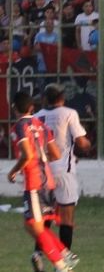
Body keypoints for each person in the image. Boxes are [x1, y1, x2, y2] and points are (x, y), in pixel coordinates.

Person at [7, 91, 79, 272]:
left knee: (34, 226)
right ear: (32, 108)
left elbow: (27, 154)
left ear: (14, 108)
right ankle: (64, 254)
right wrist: (41, 158)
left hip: (34, 182)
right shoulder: (42, 126)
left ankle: (61, 262)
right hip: (48, 182)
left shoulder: (20, 126)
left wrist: (14, 171)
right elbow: (55, 154)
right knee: (32, 225)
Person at [33, 84, 90, 261]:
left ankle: (38, 253)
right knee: (66, 217)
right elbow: (80, 142)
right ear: (63, 97)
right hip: (63, 171)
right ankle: (63, 261)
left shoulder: (36, 117)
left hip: (43, 173)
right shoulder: (69, 113)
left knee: (45, 217)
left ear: (44, 99)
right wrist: (87, 145)